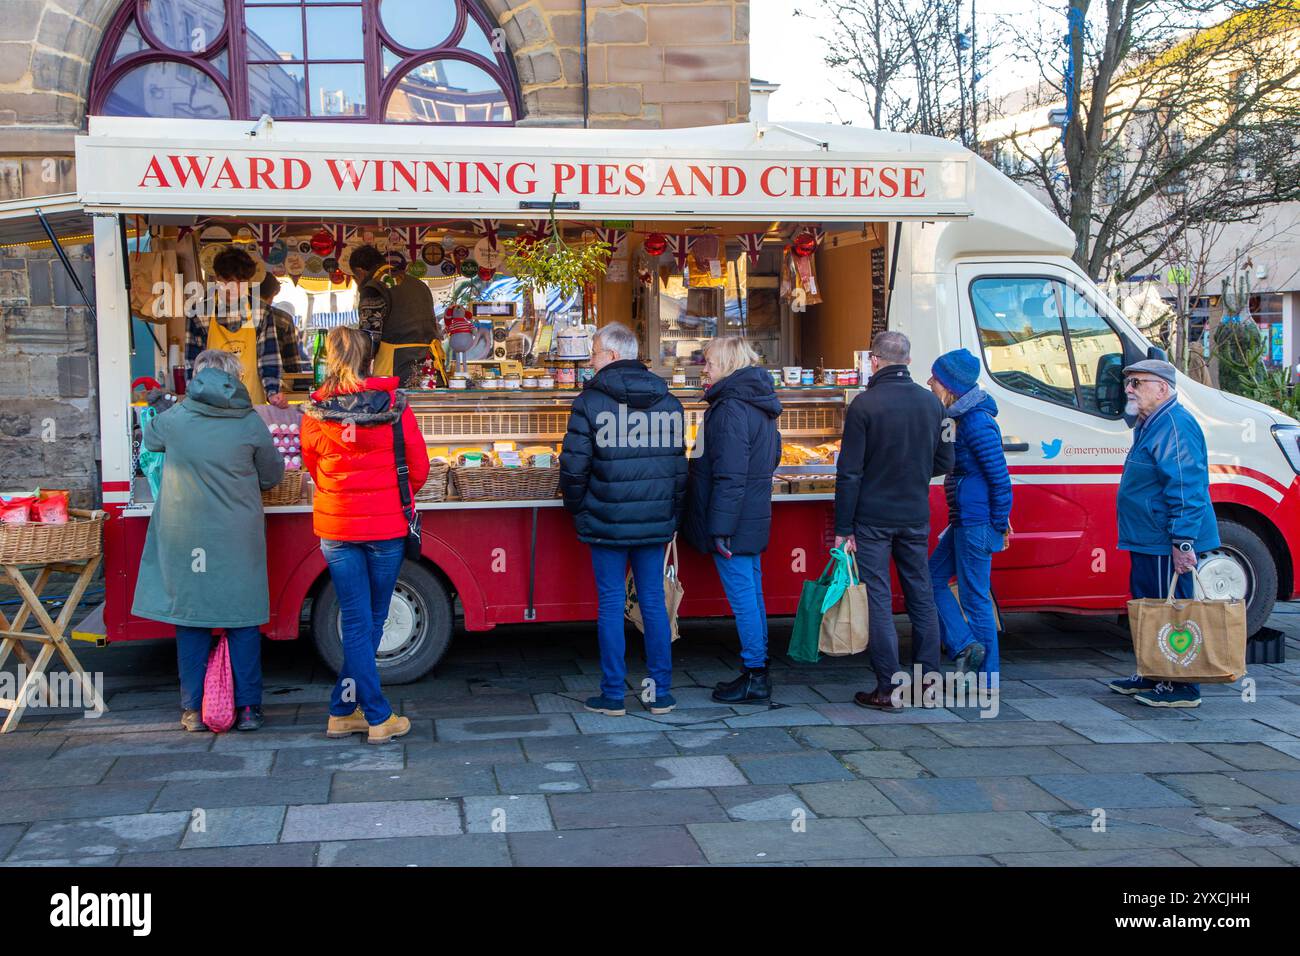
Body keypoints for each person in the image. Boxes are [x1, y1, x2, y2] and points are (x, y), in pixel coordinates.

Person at [131, 349, 285, 732]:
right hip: (237, 536)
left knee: (192, 620)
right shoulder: (250, 421)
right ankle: (249, 709)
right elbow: (272, 476)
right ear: (235, 379)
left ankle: (193, 710)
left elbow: (149, 440)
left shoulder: (177, 418)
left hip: (187, 536)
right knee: (243, 619)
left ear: (197, 379)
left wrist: (168, 403)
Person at [301, 327, 430, 743]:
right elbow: (419, 467)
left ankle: (343, 710)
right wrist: (394, 497)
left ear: (329, 359)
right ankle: (377, 715)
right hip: (386, 526)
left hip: (337, 527)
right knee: (370, 619)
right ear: (369, 360)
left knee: (359, 621)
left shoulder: (315, 412)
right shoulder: (394, 406)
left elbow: (313, 467)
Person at [559, 322, 687, 716]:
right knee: (652, 603)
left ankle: (613, 694)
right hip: (654, 520)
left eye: (594, 352)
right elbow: (679, 470)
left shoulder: (589, 402)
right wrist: (671, 513)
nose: (590, 359)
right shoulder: (670, 403)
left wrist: (580, 508)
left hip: (606, 518)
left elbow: (574, 468)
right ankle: (659, 691)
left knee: (612, 604)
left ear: (612, 356)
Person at [834, 331, 954, 711]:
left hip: (872, 517)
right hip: (916, 515)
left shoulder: (864, 405)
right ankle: (928, 684)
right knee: (921, 594)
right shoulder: (933, 404)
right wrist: (915, 476)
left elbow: (849, 472)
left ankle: (888, 688)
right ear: (908, 360)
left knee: (879, 598)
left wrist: (843, 528)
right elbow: (946, 461)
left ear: (874, 360)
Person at [1109, 358, 1219, 708]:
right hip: (1148, 536)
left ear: (1163, 387)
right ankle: (1153, 672)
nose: (1129, 389)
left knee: (1168, 609)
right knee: (1149, 607)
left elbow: (1187, 487)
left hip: (1162, 538)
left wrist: (1182, 541)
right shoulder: (1152, 422)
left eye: (1137, 382)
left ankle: (1180, 684)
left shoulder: (1174, 424)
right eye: (1128, 382)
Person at [684, 336, 783, 704]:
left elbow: (729, 474)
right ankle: (757, 668)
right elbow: (771, 458)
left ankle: (755, 674)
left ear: (727, 365)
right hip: (754, 512)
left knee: (743, 597)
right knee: (752, 594)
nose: (704, 370)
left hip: (735, 519)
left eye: (709, 363)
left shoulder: (729, 408)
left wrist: (721, 527)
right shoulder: (762, 404)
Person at [926, 348, 1013, 685]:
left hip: (977, 522)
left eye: (935, 378)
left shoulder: (976, 422)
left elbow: (999, 476)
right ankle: (964, 644)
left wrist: (1000, 522)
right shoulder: (960, 417)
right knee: (931, 578)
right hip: (964, 519)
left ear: (951, 386)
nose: (930, 382)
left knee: (975, 598)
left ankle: (986, 678)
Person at [186, 246, 288, 407]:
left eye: (240, 282)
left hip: (252, 403)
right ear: (217, 278)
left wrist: (273, 392)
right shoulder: (201, 313)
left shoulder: (261, 312)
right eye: (228, 282)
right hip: (211, 404)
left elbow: (268, 358)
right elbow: (193, 363)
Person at [350, 244, 438, 388]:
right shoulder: (419, 284)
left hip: (395, 369)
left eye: (355, 277)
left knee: (396, 409)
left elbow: (370, 336)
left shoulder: (374, 286)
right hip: (429, 366)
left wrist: (357, 369)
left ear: (360, 271)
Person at [259, 272, 310, 377]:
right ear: (274, 293)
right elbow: (292, 364)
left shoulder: (233, 315)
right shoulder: (284, 319)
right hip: (272, 382)